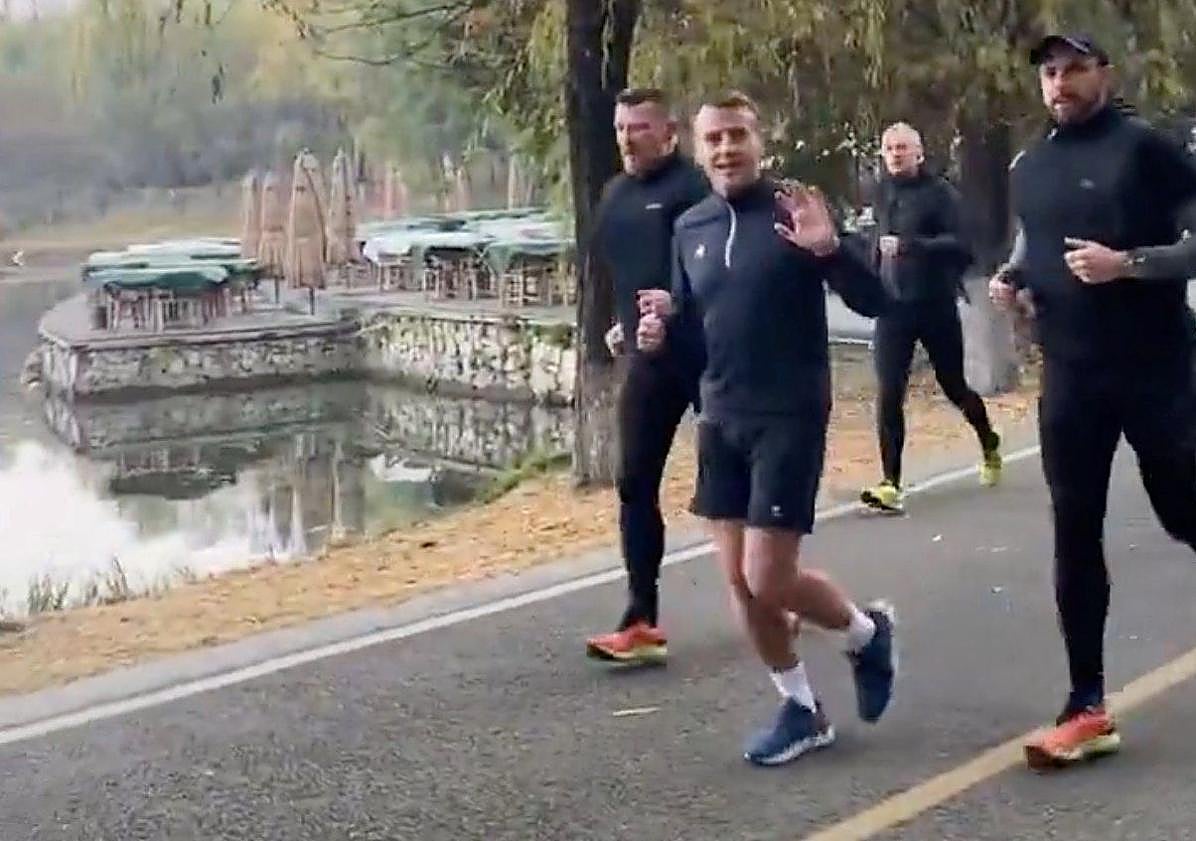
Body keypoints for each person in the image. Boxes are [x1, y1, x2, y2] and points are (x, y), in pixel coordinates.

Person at [638, 92, 898, 766]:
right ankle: (802, 709)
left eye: (738, 135)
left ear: (760, 141)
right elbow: (695, 324)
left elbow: (876, 301)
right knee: (739, 582)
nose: (727, 149)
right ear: (698, 149)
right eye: (714, 138)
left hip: (789, 413)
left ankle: (864, 634)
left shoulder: (794, 209)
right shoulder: (690, 226)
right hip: (720, 415)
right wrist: (660, 334)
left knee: (767, 576)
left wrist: (831, 250)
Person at [990, 32, 1196, 770]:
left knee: (1183, 513)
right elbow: (1034, 242)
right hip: (1072, 377)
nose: (1060, 82)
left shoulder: (1147, 150)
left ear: (1102, 72)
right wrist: (1013, 282)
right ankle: (1086, 706)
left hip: (1157, 370)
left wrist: (1129, 264)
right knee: (1075, 532)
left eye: (1074, 68)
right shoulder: (1030, 164)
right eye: (1049, 72)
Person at [584, 88, 709, 665]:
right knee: (634, 481)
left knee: (732, 485)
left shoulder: (694, 189)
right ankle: (641, 619)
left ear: (669, 134)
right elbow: (622, 270)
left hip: (710, 354)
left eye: (639, 128)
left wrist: (678, 310)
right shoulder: (614, 196)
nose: (627, 139)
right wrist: (623, 323)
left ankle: (772, 586)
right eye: (620, 129)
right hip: (651, 358)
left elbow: (719, 272)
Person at [860, 123, 1003, 514]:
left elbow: (962, 246)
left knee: (954, 386)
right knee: (889, 393)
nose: (895, 154)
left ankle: (988, 440)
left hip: (934, 304)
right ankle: (890, 483)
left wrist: (910, 247)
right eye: (889, 148)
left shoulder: (940, 194)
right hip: (892, 308)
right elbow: (877, 243)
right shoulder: (881, 191)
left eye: (903, 148)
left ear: (919, 153)